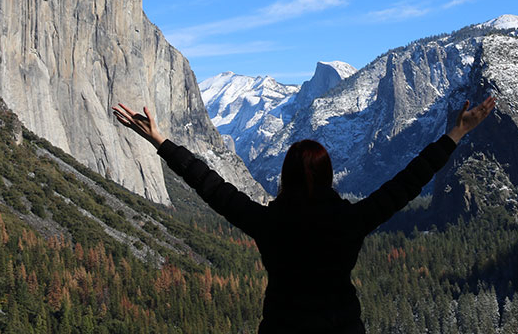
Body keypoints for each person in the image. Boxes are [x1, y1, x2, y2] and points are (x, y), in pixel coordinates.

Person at [112, 95, 496, 334]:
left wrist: (160, 141)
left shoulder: (268, 224)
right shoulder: (351, 220)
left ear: (285, 178)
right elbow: (407, 182)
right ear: (329, 178)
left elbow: (209, 184)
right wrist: (455, 136)